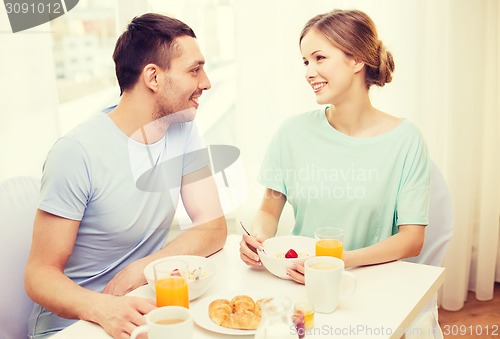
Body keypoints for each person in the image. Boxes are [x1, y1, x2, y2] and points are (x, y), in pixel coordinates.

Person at [25, 13, 227, 339]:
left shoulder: (183, 129)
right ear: (153, 77)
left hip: (141, 308)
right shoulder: (76, 152)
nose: (206, 82)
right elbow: (39, 275)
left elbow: (212, 226)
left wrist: (143, 269)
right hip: (75, 326)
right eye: (194, 70)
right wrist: (102, 308)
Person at [240, 9, 429, 282]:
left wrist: (337, 262)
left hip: (367, 281)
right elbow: (269, 209)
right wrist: (258, 239)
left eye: (319, 58)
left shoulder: (406, 140)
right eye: (305, 61)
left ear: (356, 59)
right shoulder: (292, 133)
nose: (308, 72)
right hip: (297, 280)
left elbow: (412, 239)